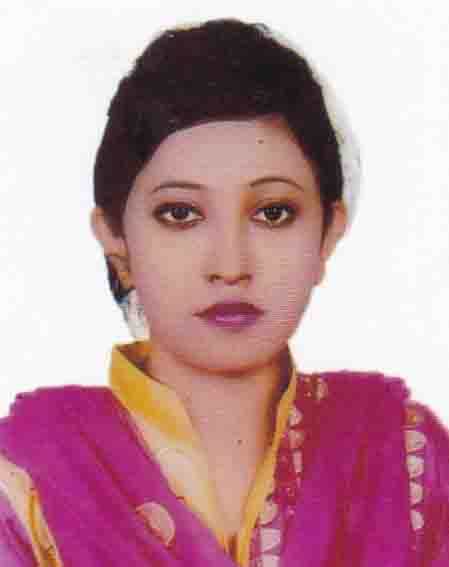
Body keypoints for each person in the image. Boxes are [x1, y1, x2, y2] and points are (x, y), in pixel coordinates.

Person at [1, 17, 448, 567]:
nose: (230, 266)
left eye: (273, 213)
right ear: (116, 239)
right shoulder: (24, 481)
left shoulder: (409, 461)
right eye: (180, 214)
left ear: (328, 234)